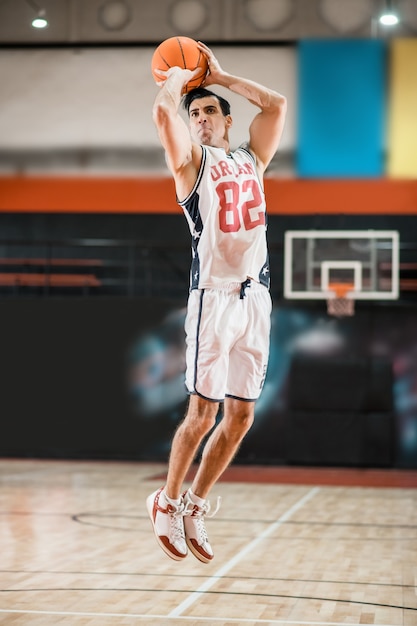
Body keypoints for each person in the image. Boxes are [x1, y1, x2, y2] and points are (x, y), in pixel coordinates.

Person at [146, 41, 287, 563]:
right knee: (202, 411)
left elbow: (275, 106)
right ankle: (166, 499)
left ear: (227, 120)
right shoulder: (190, 164)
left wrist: (221, 77)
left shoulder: (251, 158)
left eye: (210, 112)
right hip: (214, 296)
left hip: (257, 297)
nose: (201, 119)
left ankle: (196, 506)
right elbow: (165, 111)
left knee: (242, 416)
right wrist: (176, 81)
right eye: (196, 113)